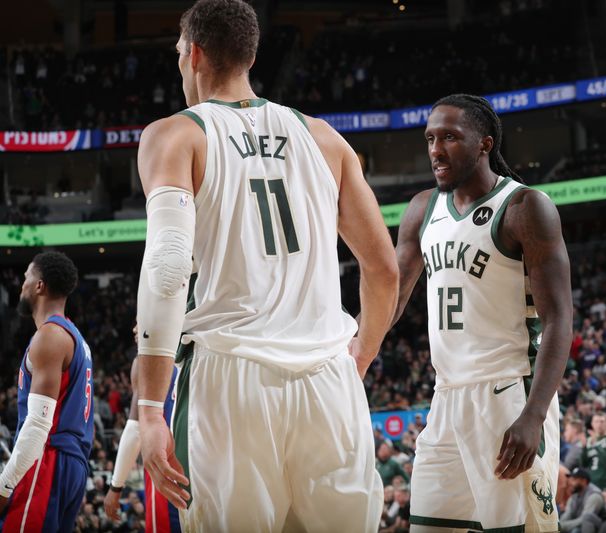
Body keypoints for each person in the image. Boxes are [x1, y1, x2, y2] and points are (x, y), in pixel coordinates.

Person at [134, 0, 399, 530]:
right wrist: (360, 355)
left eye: (179, 53)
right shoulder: (324, 138)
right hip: (328, 378)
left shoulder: (176, 134)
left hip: (232, 378)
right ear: (249, 57)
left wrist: (149, 407)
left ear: (196, 55)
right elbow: (384, 269)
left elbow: (167, 268)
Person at [392, 94, 571, 532]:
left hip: (508, 396)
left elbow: (559, 319)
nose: (436, 149)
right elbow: (391, 299)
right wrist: (348, 351)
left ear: (484, 144)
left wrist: (534, 415)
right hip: (446, 397)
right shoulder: (421, 210)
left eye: (450, 137)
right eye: (431, 138)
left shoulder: (525, 207)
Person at [0, 251, 93, 531]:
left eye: (27, 277)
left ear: (39, 286)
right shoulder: (76, 338)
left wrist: (4, 487)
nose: (22, 284)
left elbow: (39, 424)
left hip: (48, 458)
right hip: (72, 463)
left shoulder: (50, 336)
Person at [104, 354, 181, 532]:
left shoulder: (148, 359)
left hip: (166, 466)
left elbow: (135, 429)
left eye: (138, 324)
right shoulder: (199, 349)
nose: (135, 329)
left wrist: (116, 486)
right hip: (199, 466)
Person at [582, 412, 606, 490]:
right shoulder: (589, 440)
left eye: (602, 421)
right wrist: (584, 448)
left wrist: (596, 445)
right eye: (596, 421)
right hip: (591, 481)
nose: (599, 424)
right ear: (592, 424)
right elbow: (583, 463)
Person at [560, 467, 606, 533]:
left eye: (574, 479)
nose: (571, 483)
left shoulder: (594, 495)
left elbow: (584, 520)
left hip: (600, 528)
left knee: (576, 531)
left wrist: (561, 526)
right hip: (579, 526)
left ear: (584, 481)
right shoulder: (575, 495)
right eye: (571, 479)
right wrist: (559, 525)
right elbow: (567, 515)